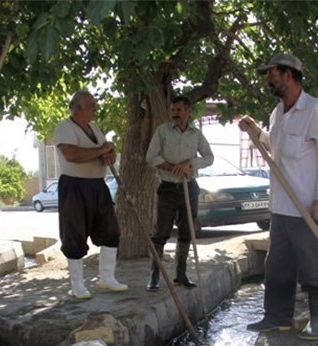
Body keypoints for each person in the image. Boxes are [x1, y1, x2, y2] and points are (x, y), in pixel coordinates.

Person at [238, 53, 318, 341]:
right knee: (277, 265)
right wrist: (257, 131)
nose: (268, 80)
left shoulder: (314, 110)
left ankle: (317, 319)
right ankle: (277, 318)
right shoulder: (277, 114)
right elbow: (276, 149)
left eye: (271, 73)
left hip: (309, 206)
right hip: (282, 207)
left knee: (312, 265)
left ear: (289, 75)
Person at [54, 90, 127, 299]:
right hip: (74, 187)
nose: (95, 109)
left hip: (98, 185)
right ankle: (77, 285)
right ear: (77, 108)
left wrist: (108, 156)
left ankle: (107, 278)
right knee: (74, 234)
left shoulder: (94, 128)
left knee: (111, 231)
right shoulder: (64, 127)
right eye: (91, 106)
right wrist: (103, 149)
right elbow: (72, 155)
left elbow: (102, 153)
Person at [145, 95, 214, 291]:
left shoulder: (196, 134)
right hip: (167, 187)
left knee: (187, 231)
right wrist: (171, 166)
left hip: (189, 187)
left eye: (179, 110)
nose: (175, 114)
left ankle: (181, 274)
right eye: (173, 110)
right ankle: (154, 276)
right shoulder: (163, 131)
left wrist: (189, 164)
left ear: (188, 111)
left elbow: (209, 157)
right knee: (161, 232)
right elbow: (151, 156)